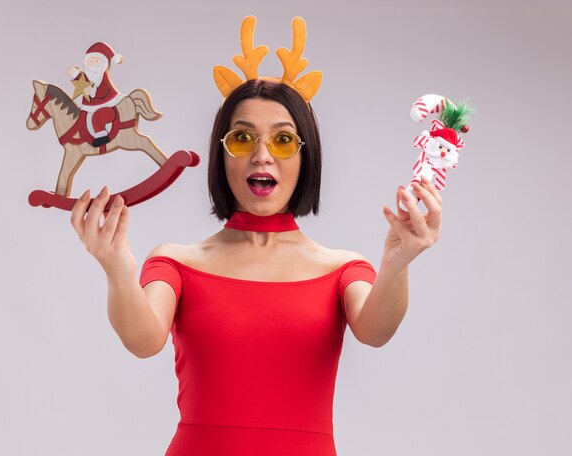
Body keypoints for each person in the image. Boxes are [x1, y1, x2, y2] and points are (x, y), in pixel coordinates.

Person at [69, 17, 442, 456]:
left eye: (283, 140)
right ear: (220, 153)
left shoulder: (342, 269)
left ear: (307, 157)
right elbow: (143, 340)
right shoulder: (176, 262)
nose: (261, 155)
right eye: (242, 137)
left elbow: (376, 330)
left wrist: (396, 265)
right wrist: (117, 269)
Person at [67, 42, 124, 147]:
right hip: (88, 106)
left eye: (96, 61)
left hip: (105, 103)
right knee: (81, 118)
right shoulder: (87, 75)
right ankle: (80, 136)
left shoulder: (102, 77)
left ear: (103, 64)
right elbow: (82, 81)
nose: (93, 63)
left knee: (98, 117)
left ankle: (101, 137)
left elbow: (103, 91)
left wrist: (92, 90)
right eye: (91, 61)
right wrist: (74, 73)